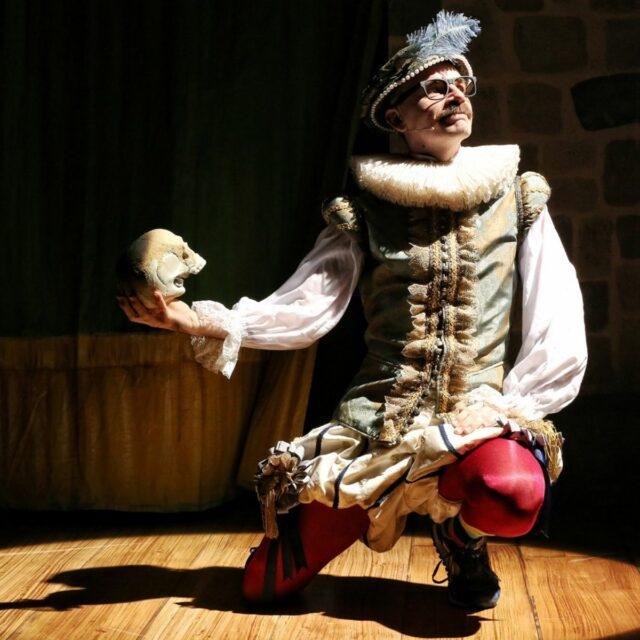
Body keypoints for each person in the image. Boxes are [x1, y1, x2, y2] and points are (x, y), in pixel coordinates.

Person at [117, 11, 587, 610]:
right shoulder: (364, 204)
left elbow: (558, 306)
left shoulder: (517, 194)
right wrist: (194, 320)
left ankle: (460, 534)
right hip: (378, 428)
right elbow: (312, 303)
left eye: (461, 87)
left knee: (515, 495)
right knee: (263, 586)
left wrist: (509, 408)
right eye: (435, 89)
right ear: (396, 116)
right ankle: (318, 516)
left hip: (474, 423)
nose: (455, 98)